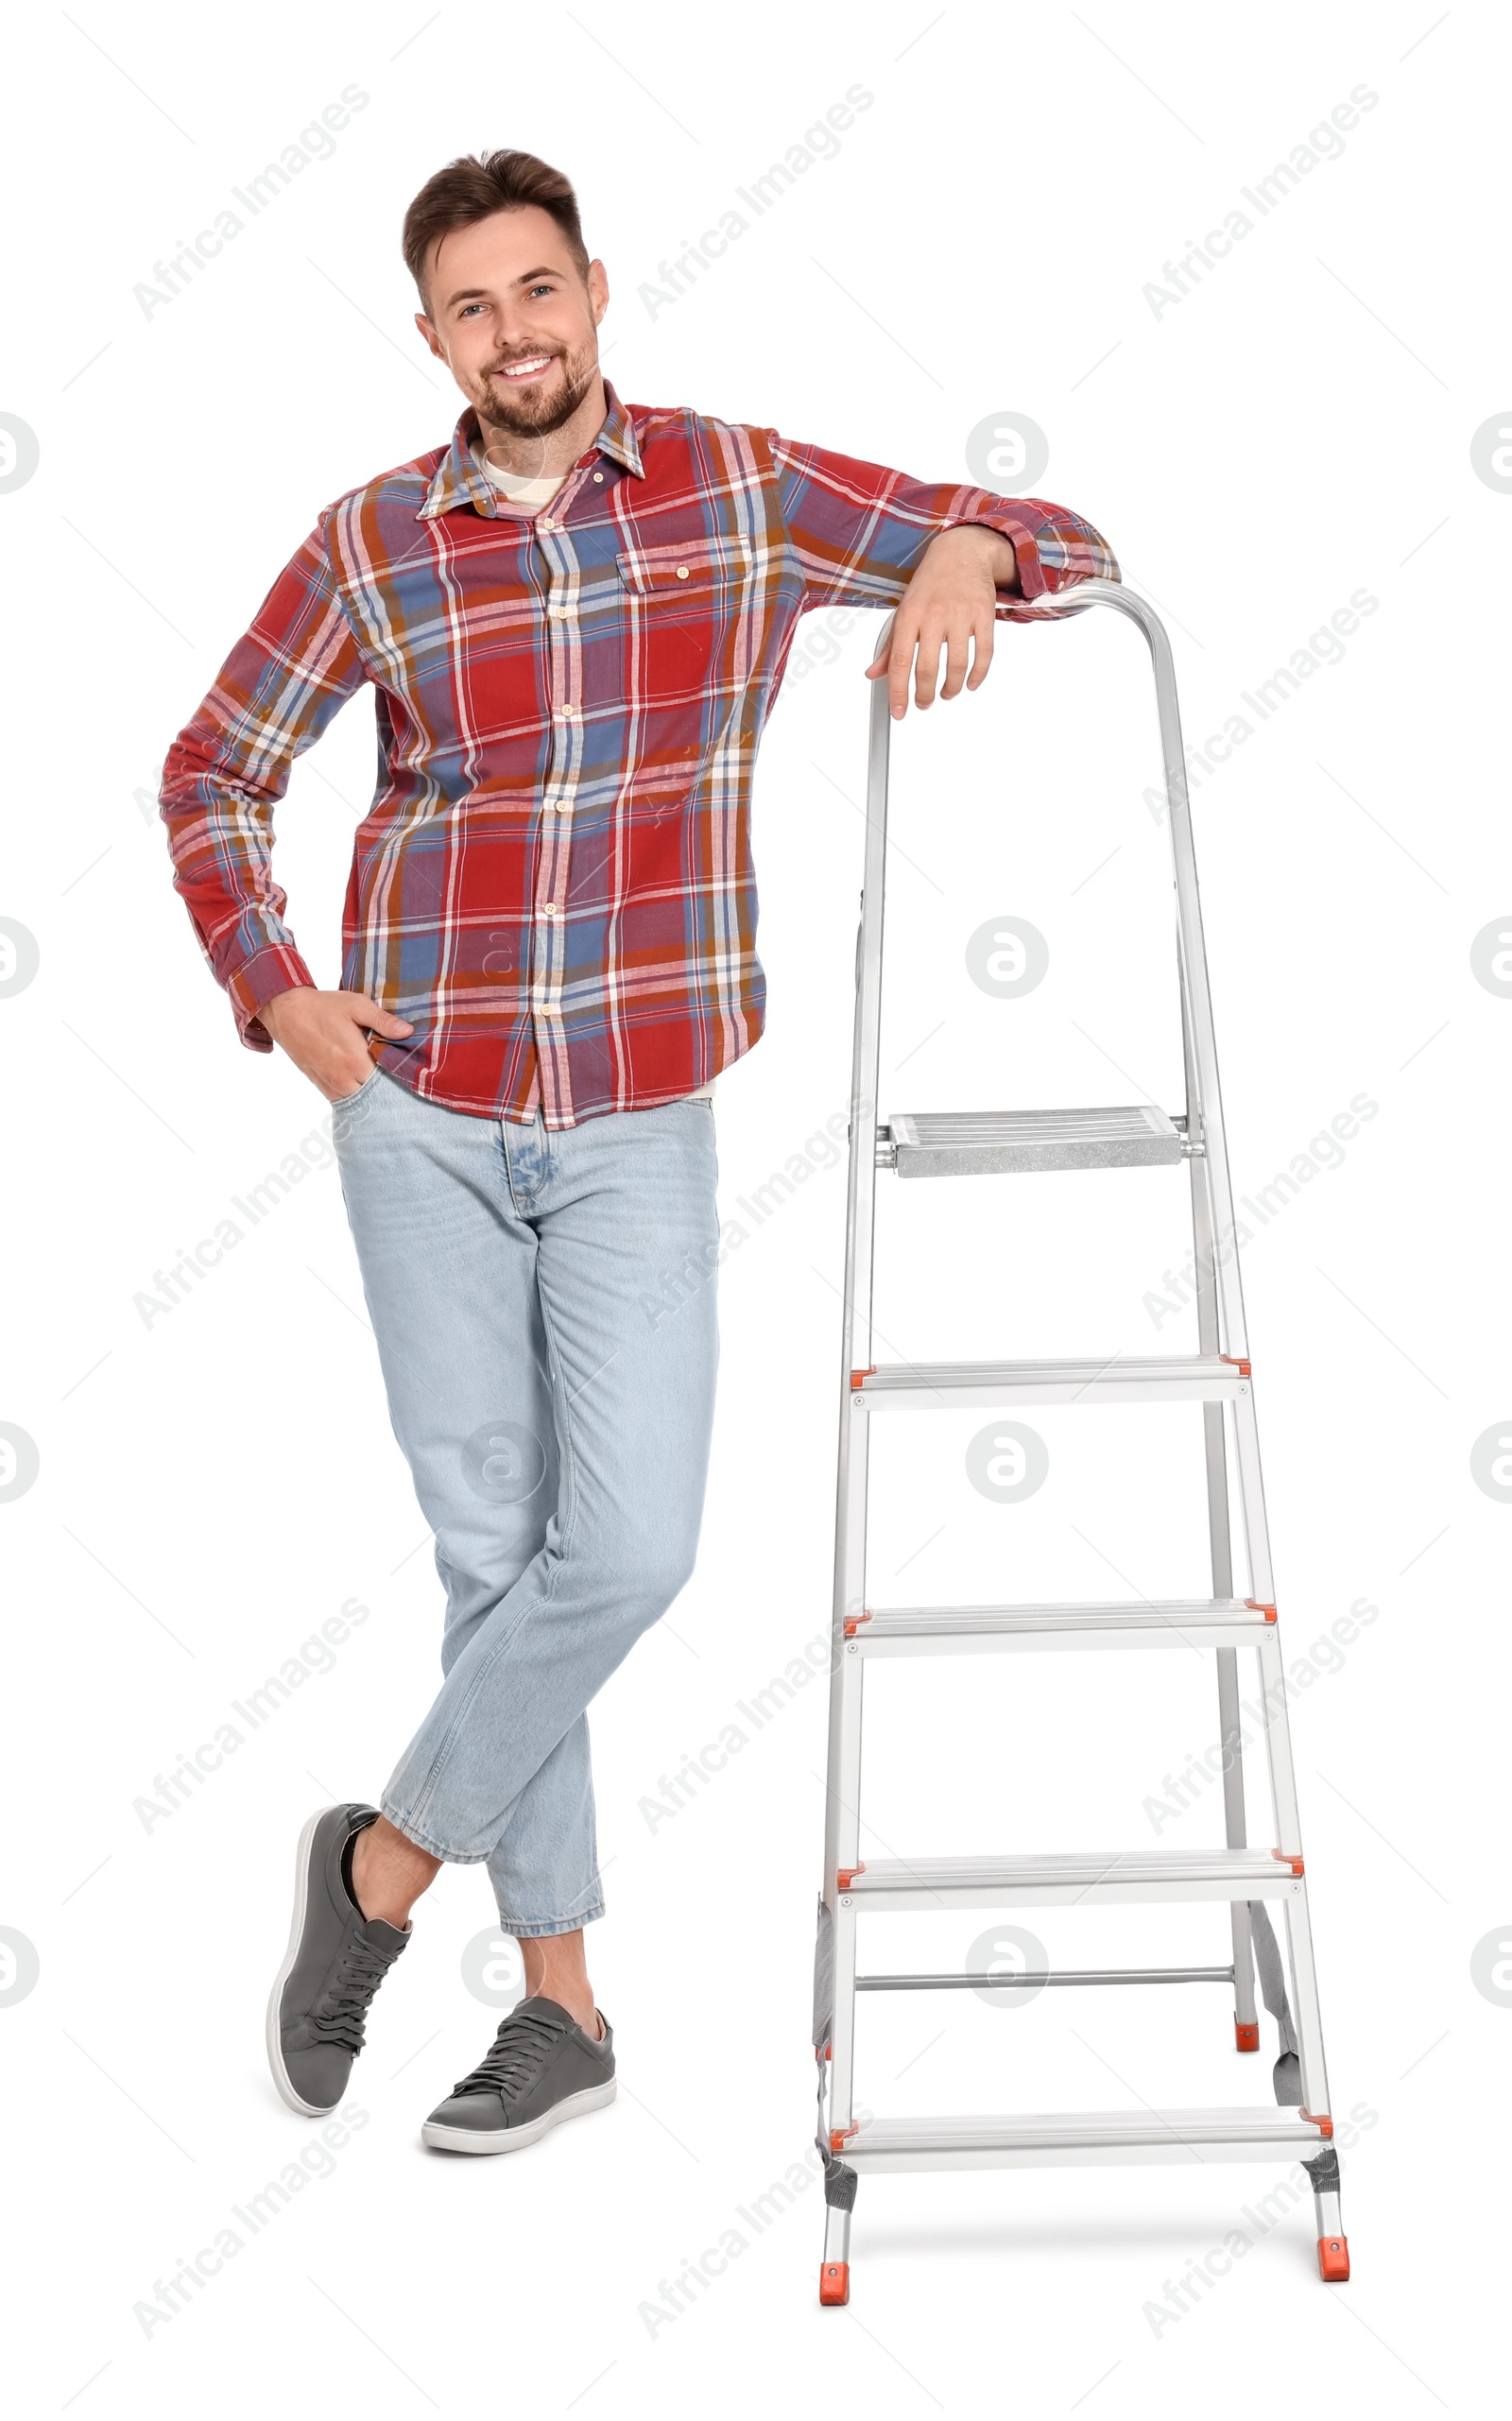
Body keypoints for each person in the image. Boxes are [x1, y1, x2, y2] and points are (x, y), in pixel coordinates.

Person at [159, 147, 1119, 2157]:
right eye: (468, 309)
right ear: (431, 337)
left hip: (633, 1118)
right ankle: (565, 2012)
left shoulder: (734, 489)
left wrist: (964, 558)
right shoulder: (370, 542)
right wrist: (282, 993)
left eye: (537, 291)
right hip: (414, 1110)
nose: (513, 334)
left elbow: (1050, 526)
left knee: (628, 1551)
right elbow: (213, 768)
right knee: (495, 1555)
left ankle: (380, 1876)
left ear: (595, 290)